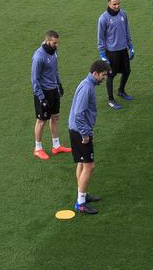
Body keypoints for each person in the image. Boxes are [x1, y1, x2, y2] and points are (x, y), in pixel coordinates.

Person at [68, 59, 111, 214]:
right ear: (95, 73)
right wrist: (85, 133)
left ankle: (83, 195)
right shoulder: (87, 88)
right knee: (89, 166)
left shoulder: (87, 84)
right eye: (103, 75)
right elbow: (79, 114)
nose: (104, 78)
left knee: (81, 163)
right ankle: (80, 203)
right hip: (81, 131)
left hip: (76, 129)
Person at [31, 30, 72, 160]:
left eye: (57, 43)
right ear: (47, 41)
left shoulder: (53, 52)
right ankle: (38, 148)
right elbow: (34, 79)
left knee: (55, 117)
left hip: (53, 90)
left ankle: (56, 146)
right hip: (43, 93)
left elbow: (55, 70)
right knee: (41, 121)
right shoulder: (38, 56)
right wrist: (41, 98)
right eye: (54, 43)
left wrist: (58, 84)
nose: (57, 45)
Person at [97, 0, 135, 108]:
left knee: (127, 71)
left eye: (118, 3)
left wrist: (131, 46)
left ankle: (121, 91)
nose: (117, 6)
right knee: (111, 75)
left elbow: (127, 30)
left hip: (123, 49)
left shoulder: (123, 14)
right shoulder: (103, 18)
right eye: (114, 4)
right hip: (112, 52)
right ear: (109, 4)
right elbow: (100, 37)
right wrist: (102, 54)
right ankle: (110, 99)